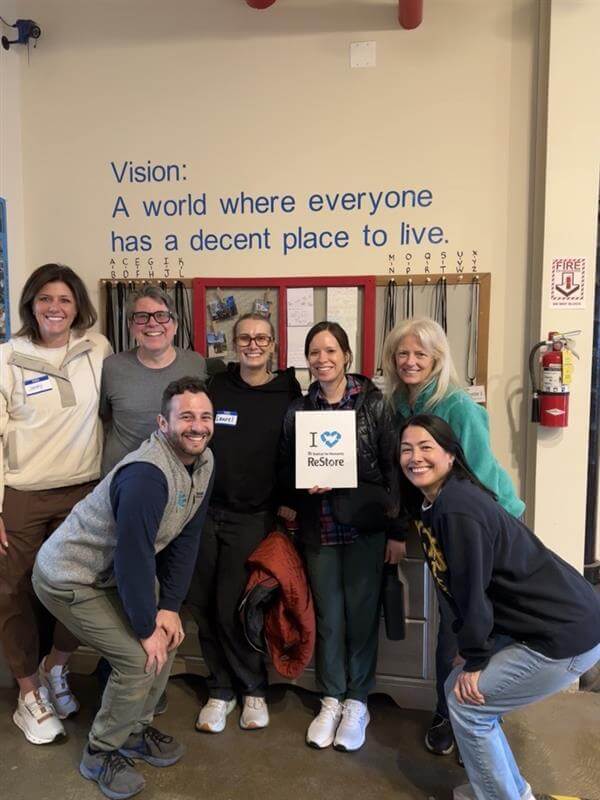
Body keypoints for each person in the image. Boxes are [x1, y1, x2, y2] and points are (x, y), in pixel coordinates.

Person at [397, 414, 600, 800]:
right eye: (406, 449)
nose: (415, 457)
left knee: (467, 705)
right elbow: (464, 591)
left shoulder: (456, 508)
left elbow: (471, 591)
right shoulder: (435, 502)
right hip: (550, 625)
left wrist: (476, 657)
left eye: (426, 447)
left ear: (451, 455)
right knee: (457, 689)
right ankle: (509, 791)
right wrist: (471, 649)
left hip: (564, 635)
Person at [32, 377, 214, 800]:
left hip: (113, 573)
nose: (197, 426)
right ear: (163, 424)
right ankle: (100, 751)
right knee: (136, 659)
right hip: (70, 577)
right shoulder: (146, 475)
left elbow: (187, 537)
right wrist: (145, 627)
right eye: (186, 417)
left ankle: (134, 730)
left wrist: (168, 608)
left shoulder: (204, 460)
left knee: (168, 637)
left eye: (205, 417)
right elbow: (134, 556)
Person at [382, 317, 525, 757]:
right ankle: (450, 712)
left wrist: (475, 544)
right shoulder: (397, 406)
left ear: (437, 359)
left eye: (420, 354)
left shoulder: (459, 406)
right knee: (454, 626)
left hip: (484, 528)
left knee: (475, 626)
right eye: (402, 354)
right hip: (439, 528)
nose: (409, 361)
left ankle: (479, 721)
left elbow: (481, 479)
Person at [279, 321, 404, 752]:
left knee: (362, 618)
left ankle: (357, 701)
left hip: (365, 527)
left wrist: (397, 531)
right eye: (314, 352)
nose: (323, 359)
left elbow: (394, 471)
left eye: (331, 350)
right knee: (329, 618)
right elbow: (286, 470)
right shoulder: (298, 410)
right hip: (320, 529)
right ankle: (331, 698)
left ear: (347, 355)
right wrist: (303, 488)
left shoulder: (374, 404)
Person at [0, 263, 111, 744]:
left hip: (82, 491)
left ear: (77, 306)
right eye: (45, 298)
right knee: (12, 591)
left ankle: (56, 667)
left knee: (83, 586)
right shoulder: (7, 357)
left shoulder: (97, 349)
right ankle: (28, 694)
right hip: (22, 493)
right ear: (31, 303)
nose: (55, 307)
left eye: (64, 299)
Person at [186, 312, 301, 732]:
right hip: (204, 513)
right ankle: (220, 690)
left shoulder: (288, 392)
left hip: (252, 516)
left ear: (273, 345)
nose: (253, 345)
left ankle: (253, 688)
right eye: (245, 338)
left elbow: (294, 453)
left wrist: (290, 501)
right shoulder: (217, 387)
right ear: (234, 344)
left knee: (235, 605)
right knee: (202, 604)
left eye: (262, 338)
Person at [100, 284, 207, 474]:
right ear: (131, 326)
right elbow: (103, 419)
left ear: (175, 325)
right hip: (120, 476)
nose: (152, 323)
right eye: (142, 316)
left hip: (178, 475)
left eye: (161, 315)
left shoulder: (196, 364)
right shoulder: (111, 367)